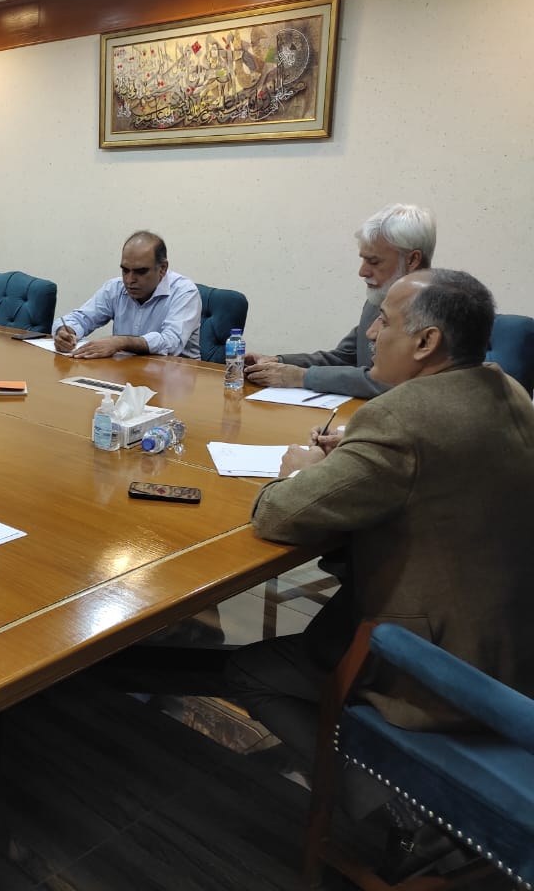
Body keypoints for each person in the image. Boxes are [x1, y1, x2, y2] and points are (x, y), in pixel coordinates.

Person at [226, 269, 534, 880]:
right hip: (513, 646)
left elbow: (280, 515)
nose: (371, 333)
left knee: (248, 673)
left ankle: (405, 814)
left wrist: (300, 471)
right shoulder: (510, 391)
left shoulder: (401, 416)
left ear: (426, 342)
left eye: (385, 322)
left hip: (439, 667)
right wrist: (356, 456)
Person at [245, 203, 435, 397]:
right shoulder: (377, 300)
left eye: (374, 261)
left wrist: (302, 377)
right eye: (363, 260)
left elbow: (390, 382)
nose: (362, 271)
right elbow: (345, 357)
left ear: (412, 260)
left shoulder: (433, 312)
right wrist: (278, 362)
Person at [52, 230, 201, 359]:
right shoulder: (115, 288)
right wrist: (65, 332)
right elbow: (80, 318)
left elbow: (171, 342)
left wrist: (121, 342)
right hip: (127, 372)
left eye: (140, 272)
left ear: (162, 268)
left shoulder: (185, 292)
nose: (129, 280)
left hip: (175, 375)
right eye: (125, 270)